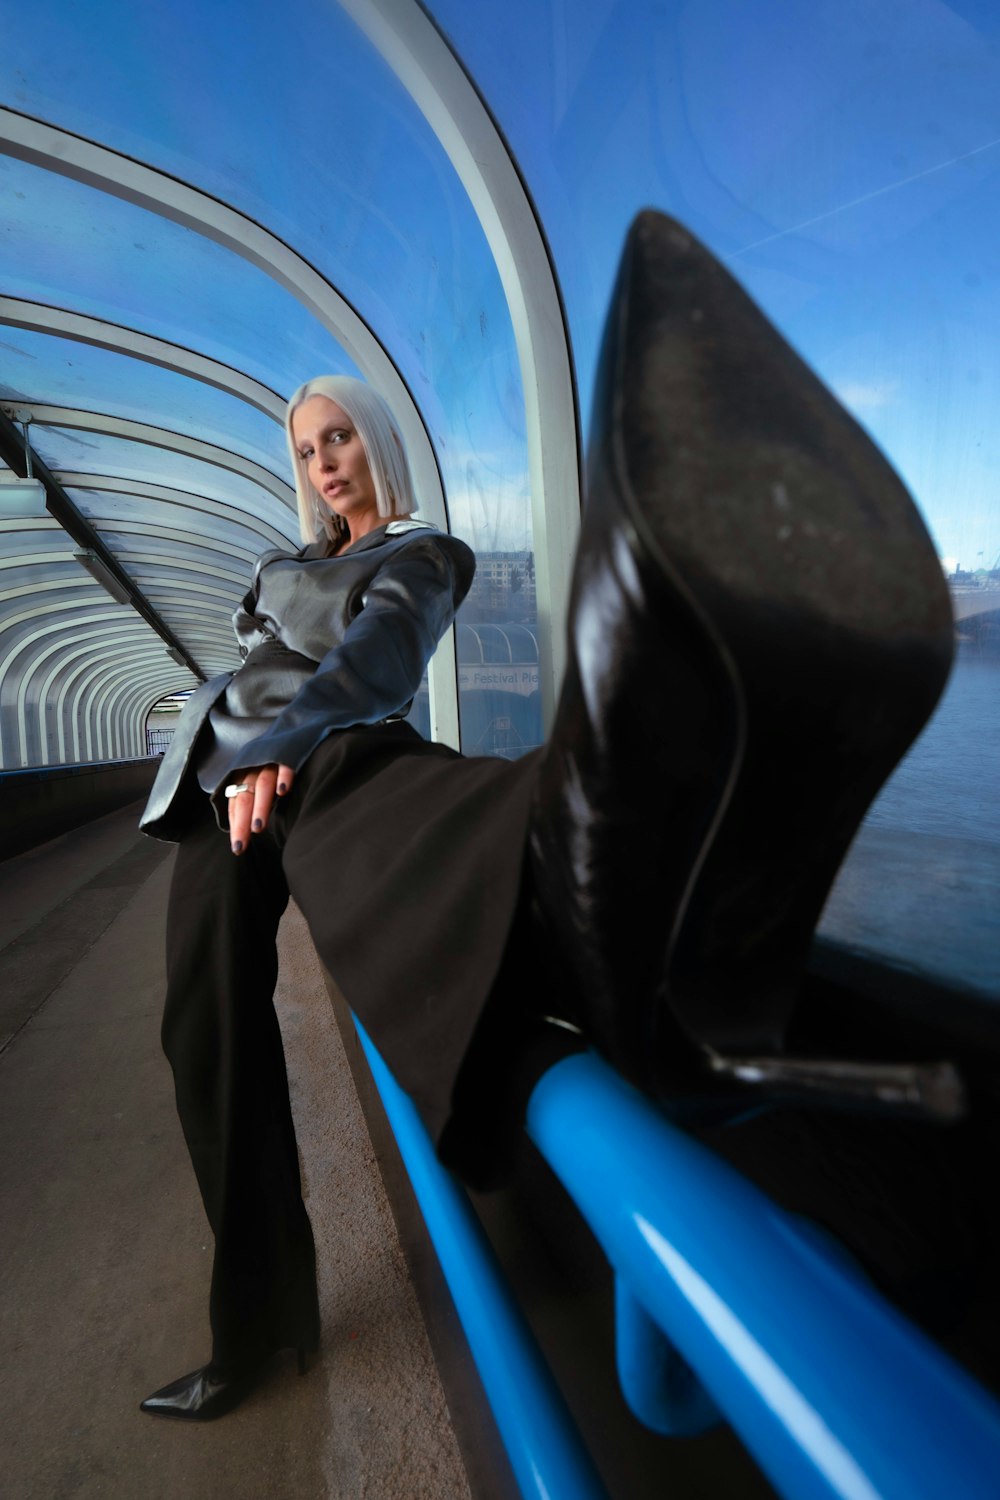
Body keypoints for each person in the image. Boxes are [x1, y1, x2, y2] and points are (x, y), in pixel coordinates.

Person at [137, 210, 954, 1421]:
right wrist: (242, 756)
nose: (324, 463)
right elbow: (254, 666)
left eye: (342, 436)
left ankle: (590, 835)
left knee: (368, 788)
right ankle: (256, 1323)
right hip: (219, 785)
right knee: (203, 1040)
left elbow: (370, 669)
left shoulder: (421, 556)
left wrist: (277, 748)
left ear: (380, 444)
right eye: (307, 448)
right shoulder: (274, 567)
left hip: (325, 758)